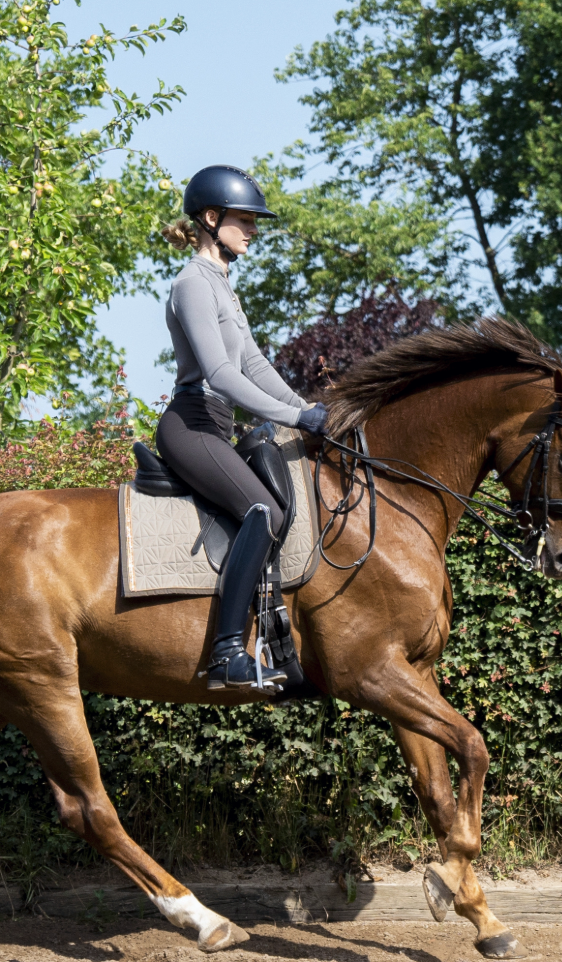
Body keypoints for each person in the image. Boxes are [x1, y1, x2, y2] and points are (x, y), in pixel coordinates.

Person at [156, 164, 329, 693]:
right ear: (212, 219)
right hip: (191, 423)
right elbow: (221, 374)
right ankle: (228, 653)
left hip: (216, 424)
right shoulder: (192, 283)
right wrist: (295, 418)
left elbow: (253, 365)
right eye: (244, 219)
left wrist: (314, 411)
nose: (254, 229)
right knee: (261, 508)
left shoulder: (224, 287)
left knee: (276, 503)